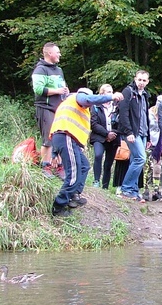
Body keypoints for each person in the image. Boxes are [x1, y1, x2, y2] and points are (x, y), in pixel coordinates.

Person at [50, 87, 124, 216]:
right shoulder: (77, 98)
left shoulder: (79, 108)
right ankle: (59, 205)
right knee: (73, 174)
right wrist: (111, 97)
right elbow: (87, 99)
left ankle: (74, 195)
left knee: (84, 166)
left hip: (67, 139)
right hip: (65, 136)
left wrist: (55, 153)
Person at [32, 42, 68, 178]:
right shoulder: (40, 70)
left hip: (58, 108)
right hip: (44, 107)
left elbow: (62, 86)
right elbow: (38, 89)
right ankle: (45, 166)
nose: (59, 54)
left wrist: (65, 90)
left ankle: (58, 166)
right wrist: (57, 90)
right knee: (48, 138)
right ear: (49, 53)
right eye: (57, 52)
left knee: (58, 137)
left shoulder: (59, 70)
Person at [117, 70, 151, 201]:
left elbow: (145, 115)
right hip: (132, 132)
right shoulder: (128, 92)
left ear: (147, 81)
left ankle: (134, 191)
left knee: (135, 160)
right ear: (135, 79)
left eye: (144, 80)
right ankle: (126, 188)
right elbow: (123, 113)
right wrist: (129, 132)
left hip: (142, 132)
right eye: (139, 80)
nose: (141, 82)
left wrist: (147, 135)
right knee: (140, 159)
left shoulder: (145, 95)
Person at [89, 84, 120, 189]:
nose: (110, 94)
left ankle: (105, 186)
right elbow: (93, 124)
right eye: (108, 92)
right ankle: (96, 181)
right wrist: (107, 134)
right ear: (102, 94)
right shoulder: (95, 106)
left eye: (111, 92)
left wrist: (113, 133)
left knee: (109, 162)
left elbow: (121, 122)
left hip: (114, 137)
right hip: (99, 137)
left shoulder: (117, 106)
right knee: (98, 155)